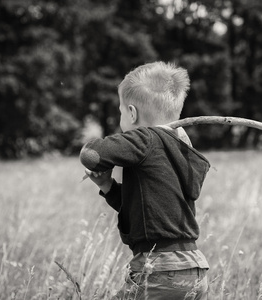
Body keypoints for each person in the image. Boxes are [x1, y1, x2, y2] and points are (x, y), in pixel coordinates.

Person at [79, 61, 210, 299]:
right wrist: (107, 186)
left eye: (120, 112)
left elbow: (92, 155)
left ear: (132, 113)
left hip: (158, 269)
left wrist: (89, 146)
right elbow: (147, 207)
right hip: (194, 269)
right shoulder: (181, 149)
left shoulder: (145, 139)